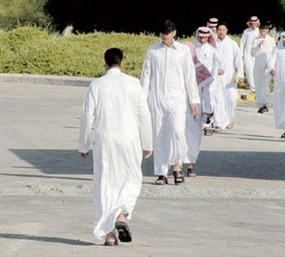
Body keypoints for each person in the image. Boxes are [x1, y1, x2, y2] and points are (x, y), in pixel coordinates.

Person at [78, 48, 152, 246]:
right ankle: (122, 215)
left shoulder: (97, 85)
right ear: (123, 63)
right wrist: (148, 143)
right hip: (130, 141)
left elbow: (87, 117)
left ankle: (109, 234)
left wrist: (83, 145)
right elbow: (144, 115)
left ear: (104, 62)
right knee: (131, 179)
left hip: (106, 141)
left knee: (105, 184)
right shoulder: (134, 84)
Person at [140, 20, 199, 186]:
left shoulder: (183, 51)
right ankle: (161, 172)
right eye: (162, 33)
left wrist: (193, 100)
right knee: (159, 135)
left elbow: (189, 75)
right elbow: (146, 76)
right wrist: (141, 100)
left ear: (174, 33)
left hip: (178, 99)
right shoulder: (153, 50)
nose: (165, 36)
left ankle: (177, 166)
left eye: (168, 33)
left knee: (177, 131)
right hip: (158, 99)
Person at [183, 26, 221, 178]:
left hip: (196, 108)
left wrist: (208, 110)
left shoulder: (201, 69)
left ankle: (191, 164)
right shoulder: (178, 67)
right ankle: (177, 165)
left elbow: (206, 91)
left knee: (194, 136)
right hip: (179, 107)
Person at [214, 22, 244, 129]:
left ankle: (229, 119)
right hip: (216, 77)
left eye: (223, 30)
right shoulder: (213, 43)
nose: (221, 32)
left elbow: (238, 59)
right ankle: (218, 122)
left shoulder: (232, 44)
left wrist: (240, 74)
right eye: (219, 30)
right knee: (218, 99)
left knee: (231, 99)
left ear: (227, 30)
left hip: (230, 77)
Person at [252, 24, 275, 114]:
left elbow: (273, 53)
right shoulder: (255, 40)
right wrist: (258, 46)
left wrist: (271, 65)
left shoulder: (271, 40)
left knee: (265, 84)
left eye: (264, 30)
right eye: (261, 30)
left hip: (267, 64)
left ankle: (265, 103)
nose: (263, 32)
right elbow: (252, 53)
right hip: (258, 64)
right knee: (258, 84)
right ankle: (261, 104)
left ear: (267, 30)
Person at [239, 16, 261, 92]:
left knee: (256, 71)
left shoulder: (259, 31)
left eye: (255, 24)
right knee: (249, 70)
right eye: (252, 24)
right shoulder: (246, 31)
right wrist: (241, 54)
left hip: (257, 53)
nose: (253, 25)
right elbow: (242, 43)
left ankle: (258, 87)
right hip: (247, 53)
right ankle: (253, 88)